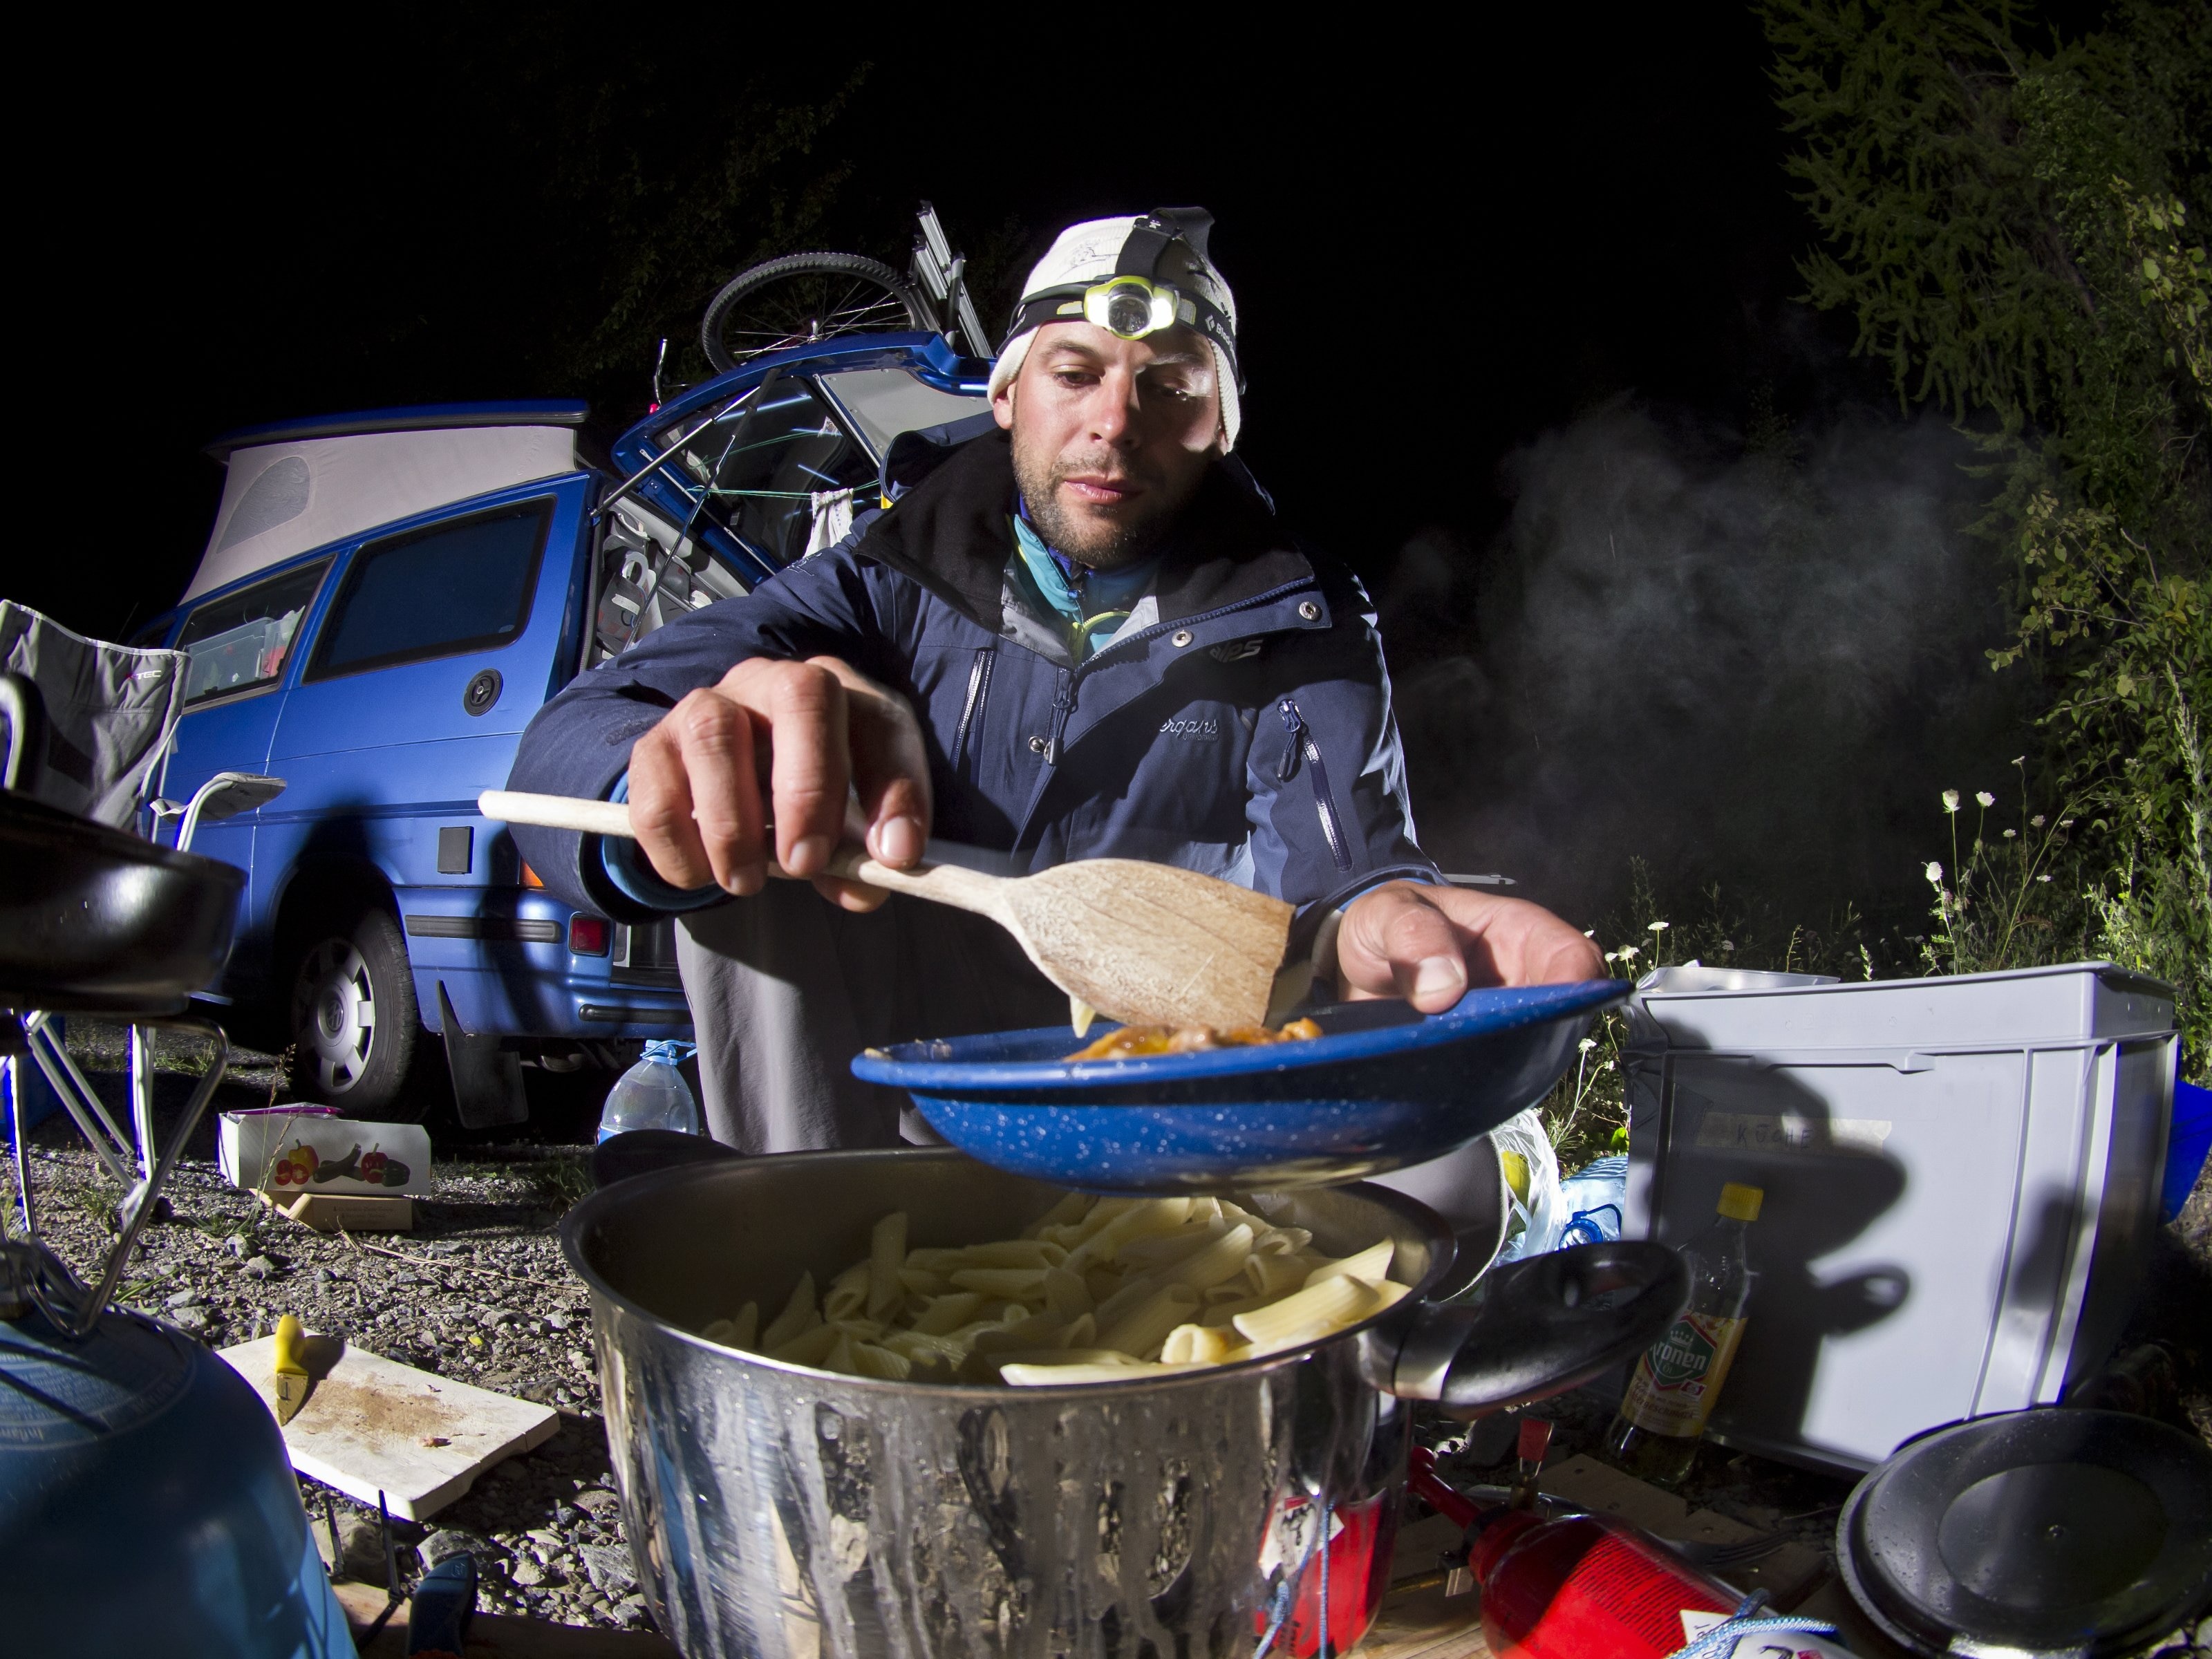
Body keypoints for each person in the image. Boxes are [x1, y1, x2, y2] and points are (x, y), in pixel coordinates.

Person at [508, 209, 1602, 1151]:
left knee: (1458, 1181)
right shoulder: (876, 585)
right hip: (891, 1087)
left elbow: (1346, 866)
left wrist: (1373, 914)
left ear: (1218, 427)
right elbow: (580, 734)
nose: (1114, 423)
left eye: (1169, 388)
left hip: (1149, 1098)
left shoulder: (1302, 617)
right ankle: (805, 1228)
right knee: (774, 767)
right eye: (1075, 374)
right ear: (1007, 396)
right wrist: (663, 786)